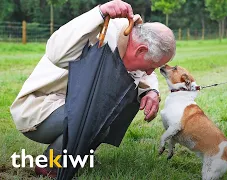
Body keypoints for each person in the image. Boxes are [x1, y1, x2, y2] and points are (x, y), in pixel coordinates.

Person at [10, 0, 176, 178]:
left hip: (71, 105)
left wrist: (151, 91)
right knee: (99, 118)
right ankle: (50, 164)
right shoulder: (103, 30)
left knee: (112, 108)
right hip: (40, 108)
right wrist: (99, 13)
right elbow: (55, 52)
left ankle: (79, 155)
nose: (151, 72)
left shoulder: (135, 44)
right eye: (152, 65)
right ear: (140, 50)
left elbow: (145, 74)